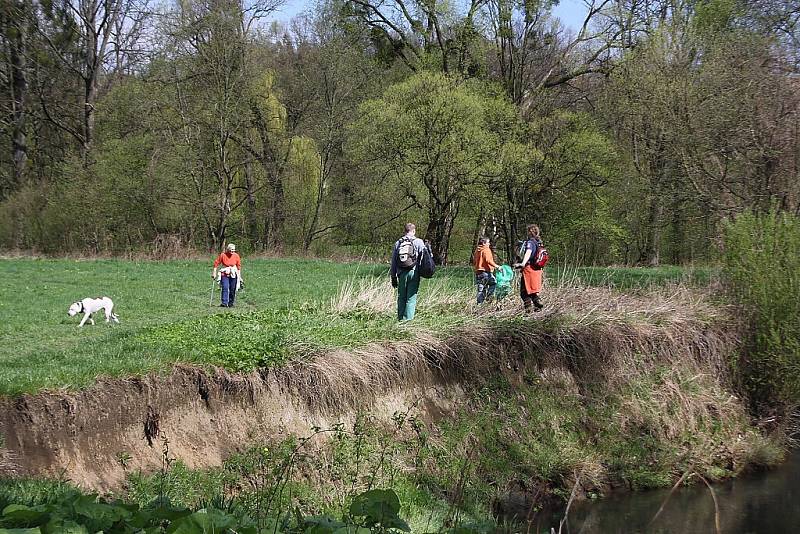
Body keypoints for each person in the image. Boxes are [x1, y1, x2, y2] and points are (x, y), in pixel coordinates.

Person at [390, 223, 427, 321]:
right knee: (411, 298)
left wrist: (393, 276)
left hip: (401, 273)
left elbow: (393, 261)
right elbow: (425, 258)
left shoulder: (398, 243)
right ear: (414, 231)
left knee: (401, 297)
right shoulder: (419, 242)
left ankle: (400, 320)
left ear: (405, 231)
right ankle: (408, 322)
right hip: (414, 272)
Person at [514, 224, 544, 313]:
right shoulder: (539, 242)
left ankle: (529, 311)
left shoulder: (530, 242)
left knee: (524, 292)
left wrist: (522, 263)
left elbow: (528, 252)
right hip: (537, 269)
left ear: (530, 232)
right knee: (532, 289)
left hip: (529, 269)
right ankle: (537, 309)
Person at [212, 243, 242, 308]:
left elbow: (238, 266)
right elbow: (216, 263)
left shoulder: (236, 255)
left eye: (234, 250)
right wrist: (214, 273)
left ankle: (231, 303)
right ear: (228, 249)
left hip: (233, 273)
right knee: (225, 287)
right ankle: (224, 303)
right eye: (231, 250)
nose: (232, 251)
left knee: (232, 289)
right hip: (224, 272)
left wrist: (239, 276)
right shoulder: (223, 255)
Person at [473, 236, 499, 304]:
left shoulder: (477, 250)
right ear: (484, 243)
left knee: (481, 289)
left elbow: (475, 261)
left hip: (478, 272)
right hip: (486, 272)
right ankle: (489, 297)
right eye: (488, 242)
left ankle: (479, 304)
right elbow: (488, 260)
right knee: (493, 283)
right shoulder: (486, 249)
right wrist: (496, 266)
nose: (489, 244)